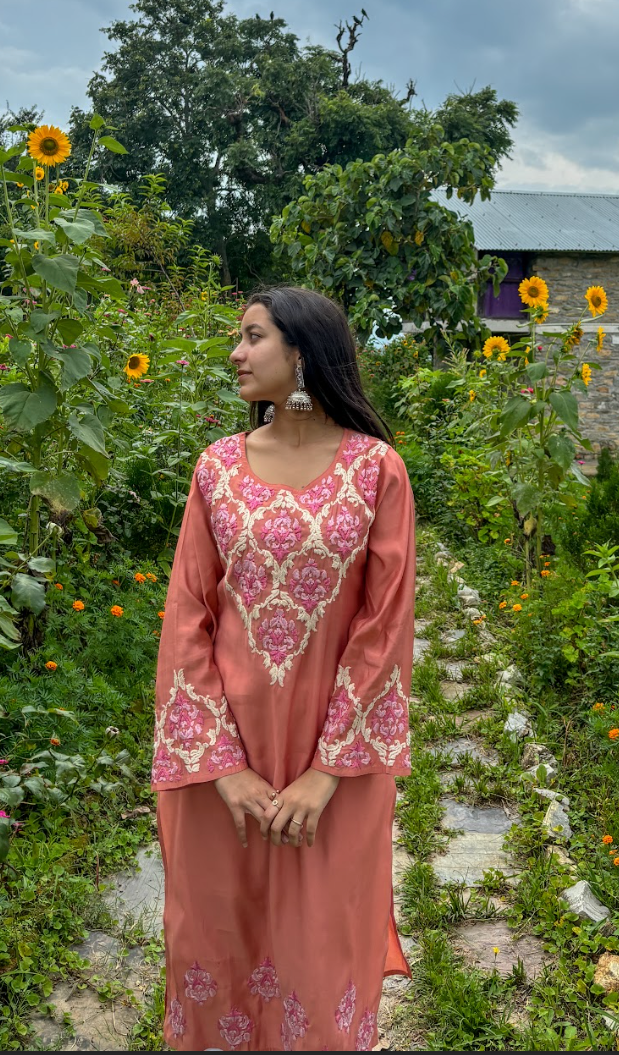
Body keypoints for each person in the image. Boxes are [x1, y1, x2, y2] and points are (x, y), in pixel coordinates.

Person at [152, 285, 416, 1052]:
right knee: (212, 941)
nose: (235, 353)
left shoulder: (378, 471)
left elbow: (385, 630)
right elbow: (187, 621)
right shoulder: (216, 469)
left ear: (301, 353)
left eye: (252, 337)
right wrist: (220, 765)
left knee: (319, 954)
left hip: (333, 764)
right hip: (221, 761)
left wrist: (327, 771)